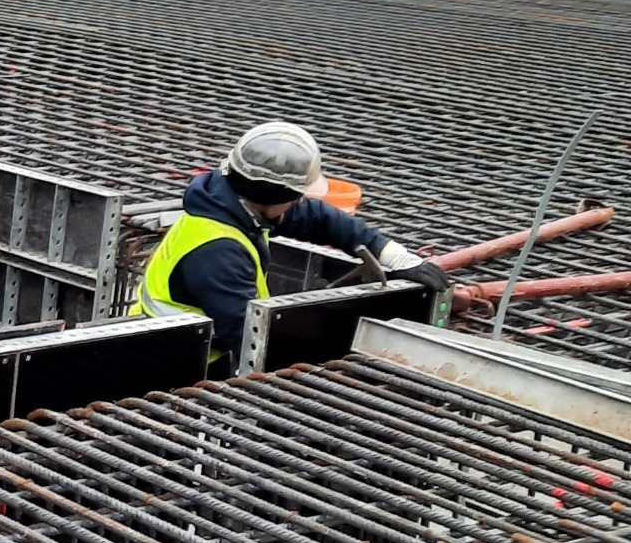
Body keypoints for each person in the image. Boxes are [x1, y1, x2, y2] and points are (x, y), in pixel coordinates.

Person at [131, 121, 448, 371]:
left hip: (199, 345)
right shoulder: (218, 252)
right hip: (177, 362)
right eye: (295, 195)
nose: (300, 201)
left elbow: (317, 217)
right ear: (273, 196)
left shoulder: (232, 201)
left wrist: (391, 254)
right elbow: (252, 342)